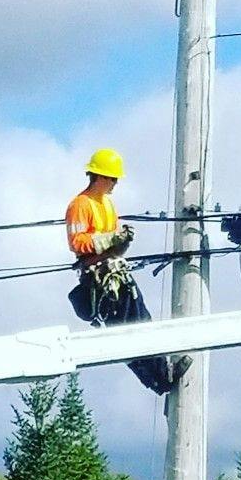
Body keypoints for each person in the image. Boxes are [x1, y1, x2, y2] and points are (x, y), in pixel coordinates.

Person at [65, 148, 186, 396]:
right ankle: (157, 380)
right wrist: (109, 240)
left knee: (142, 320)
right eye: (112, 178)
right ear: (99, 176)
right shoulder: (80, 205)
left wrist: (121, 242)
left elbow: (113, 246)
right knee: (125, 331)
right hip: (98, 279)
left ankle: (163, 369)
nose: (115, 184)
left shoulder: (108, 205)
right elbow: (77, 243)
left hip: (116, 273)